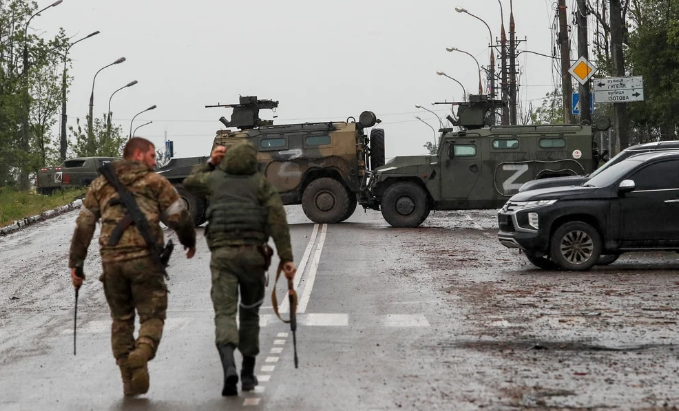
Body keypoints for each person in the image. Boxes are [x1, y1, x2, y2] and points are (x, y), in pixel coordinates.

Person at [68, 137, 197, 396]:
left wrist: (77, 264)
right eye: (151, 156)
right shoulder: (156, 182)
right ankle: (141, 353)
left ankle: (129, 379)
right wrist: (188, 241)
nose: (154, 161)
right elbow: (179, 217)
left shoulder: (99, 184)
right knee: (152, 316)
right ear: (137, 155)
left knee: (121, 320)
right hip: (145, 260)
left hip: (112, 263)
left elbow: (84, 225)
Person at [183, 141, 297, 396]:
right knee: (249, 314)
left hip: (223, 258)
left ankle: (228, 369)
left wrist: (211, 163)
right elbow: (278, 222)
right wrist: (286, 258)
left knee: (224, 314)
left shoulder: (215, 179)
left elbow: (190, 183)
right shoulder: (261, 184)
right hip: (254, 257)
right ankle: (247, 375)